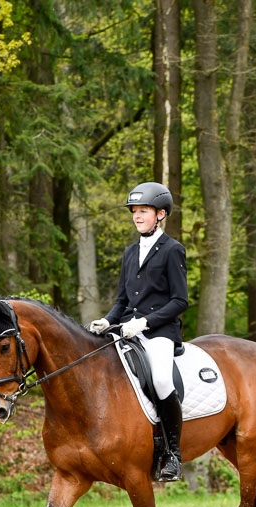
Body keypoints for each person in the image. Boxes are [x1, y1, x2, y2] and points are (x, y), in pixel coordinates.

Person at [90, 181, 188, 481]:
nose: (136, 216)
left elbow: (180, 300)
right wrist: (108, 321)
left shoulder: (173, 250)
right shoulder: (130, 252)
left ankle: (173, 454)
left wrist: (144, 323)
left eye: (143, 211)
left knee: (160, 379)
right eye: (134, 211)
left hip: (159, 332)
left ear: (160, 214)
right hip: (127, 329)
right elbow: (122, 299)